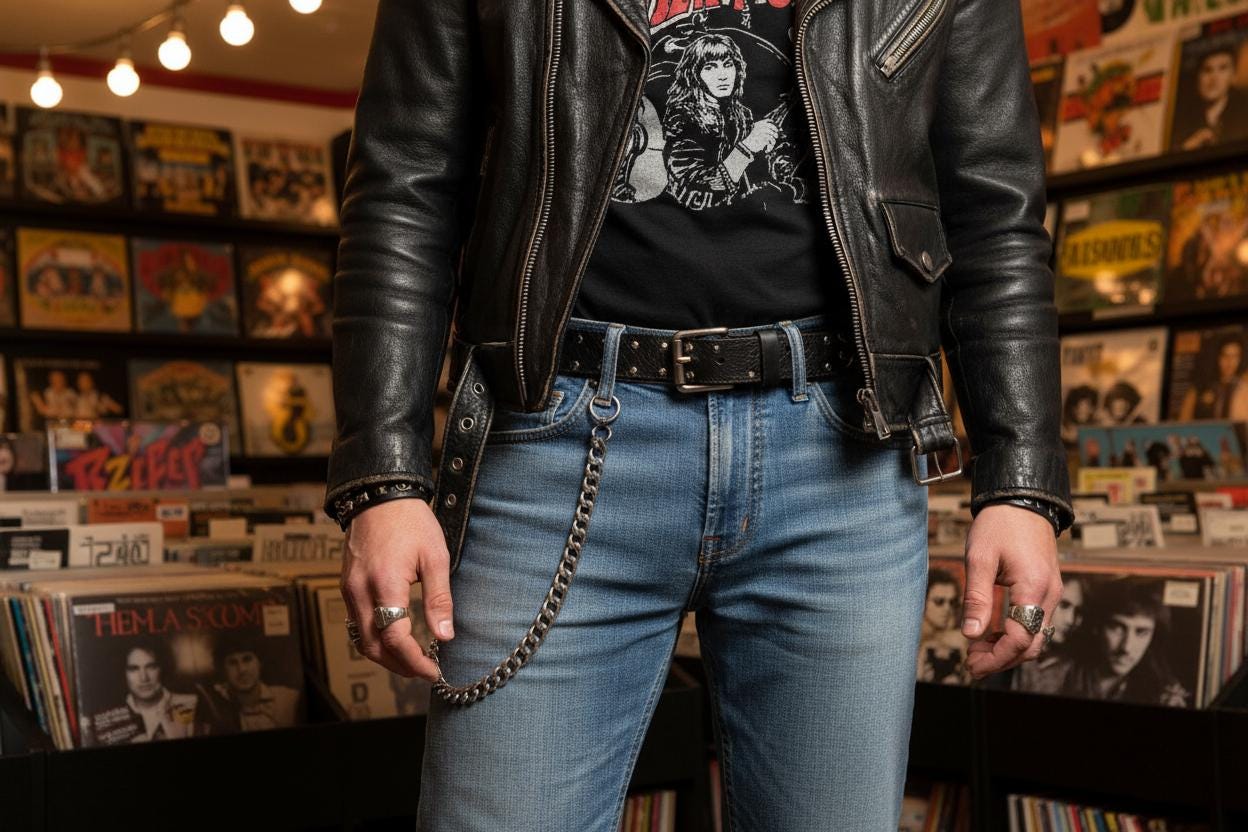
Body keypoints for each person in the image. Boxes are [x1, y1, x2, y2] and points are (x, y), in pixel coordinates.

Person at [328, 1, 1072, 829]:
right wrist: (382, 477)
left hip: (843, 461)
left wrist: (1022, 480)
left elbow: (996, 218)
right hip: (557, 443)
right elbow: (402, 192)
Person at [1058, 579, 1190, 707]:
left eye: (1141, 632)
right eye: (1117, 628)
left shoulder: (1164, 694)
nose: (1126, 647)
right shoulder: (1060, 675)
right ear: (1097, 628)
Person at [84, 641, 202, 745]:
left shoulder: (189, 703)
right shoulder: (109, 716)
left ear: (162, 669)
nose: (144, 678)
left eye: (151, 667)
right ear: (124, 674)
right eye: (134, 669)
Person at [208, 636, 302, 732]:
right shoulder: (218, 710)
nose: (242, 670)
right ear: (223, 670)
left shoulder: (290, 699)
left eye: (247, 659)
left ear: (260, 663)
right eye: (232, 663)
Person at [1171, 44, 1248, 152]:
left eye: (1223, 68)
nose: (1214, 78)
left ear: (1233, 76)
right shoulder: (1181, 121)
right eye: (1207, 70)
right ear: (1197, 77)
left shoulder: (1243, 114)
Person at [916, 569, 971, 685]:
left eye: (952, 602)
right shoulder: (907, 632)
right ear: (922, 601)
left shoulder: (958, 636)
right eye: (939, 601)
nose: (947, 608)